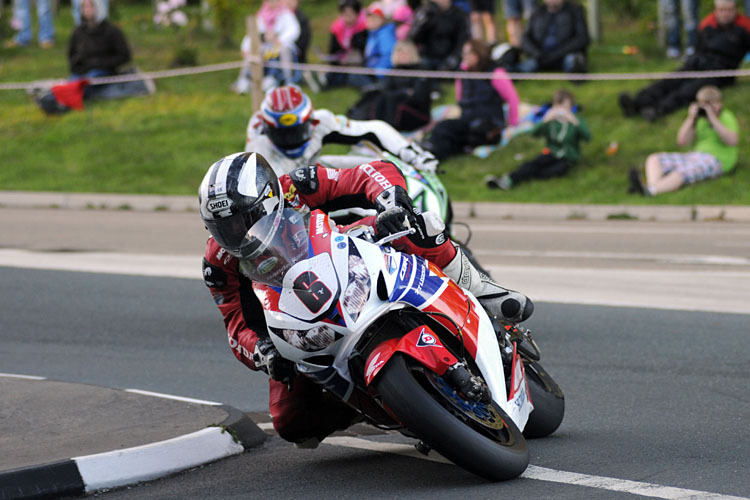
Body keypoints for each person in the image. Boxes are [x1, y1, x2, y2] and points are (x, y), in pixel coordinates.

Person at [199, 151, 534, 446]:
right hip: (293, 315)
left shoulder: (295, 185)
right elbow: (236, 325)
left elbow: (367, 173)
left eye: (242, 220)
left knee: (419, 226)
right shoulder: (218, 263)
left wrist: (391, 201)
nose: (235, 234)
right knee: (289, 421)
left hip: (342, 252)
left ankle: (483, 290)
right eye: (222, 227)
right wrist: (262, 353)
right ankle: (374, 406)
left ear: (269, 200)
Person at [245, 84, 438, 174]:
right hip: (283, 191)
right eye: (282, 134)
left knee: (379, 168)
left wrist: (412, 154)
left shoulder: (322, 120)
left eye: (296, 131)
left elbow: (374, 128)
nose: (290, 139)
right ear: (267, 128)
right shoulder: (258, 143)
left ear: (310, 121)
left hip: (312, 170)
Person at [619, 0, 750, 121]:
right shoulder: (707, 24)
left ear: (735, 10)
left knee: (689, 89)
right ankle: (637, 103)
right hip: (698, 63)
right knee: (670, 80)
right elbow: (699, 47)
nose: (725, 14)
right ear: (716, 10)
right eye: (721, 10)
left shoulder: (744, 27)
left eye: (728, 10)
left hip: (720, 72)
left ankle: (658, 109)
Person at [628, 85, 738, 196]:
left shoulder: (726, 116)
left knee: (681, 172)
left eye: (710, 104)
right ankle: (650, 188)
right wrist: (691, 119)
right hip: (696, 156)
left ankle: (651, 190)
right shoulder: (699, 119)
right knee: (654, 159)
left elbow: (732, 141)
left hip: (717, 160)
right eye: (703, 104)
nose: (706, 108)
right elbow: (682, 142)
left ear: (719, 104)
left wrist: (713, 119)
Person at [420, 40, 520, 161]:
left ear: (479, 53)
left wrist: (513, 123)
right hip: (467, 120)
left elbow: (512, 99)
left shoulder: (495, 73)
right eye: (464, 53)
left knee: (473, 134)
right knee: (444, 127)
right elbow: (460, 98)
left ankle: (437, 152)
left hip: (489, 122)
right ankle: (432, 153)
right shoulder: (463, 74)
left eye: (469, 53)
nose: (465, 57)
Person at [485, 88, 590, 190]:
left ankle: (524, 178)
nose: (562, 111)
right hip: (551, 152)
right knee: (530, 165)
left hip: (567, 157)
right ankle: (507, 181)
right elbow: (534, 133)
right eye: (559, 106)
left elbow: (587, 137)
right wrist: (545, 120)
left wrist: (574, 121)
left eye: (565, 107)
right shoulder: (551, 122)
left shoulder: (576, 121)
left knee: (552, 171)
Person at [346, 39, 432, 131]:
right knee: (377, 96)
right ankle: (374, 127)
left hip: (417, 113)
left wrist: (397, 95)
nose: (403, 56)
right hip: (395, 108)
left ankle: (388, 130)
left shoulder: (421, 71)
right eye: (400, 52)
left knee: (391, 100)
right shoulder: (393, 71)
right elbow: (386, 91)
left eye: (406, 53)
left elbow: (417, 97)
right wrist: (404, 92)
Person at [233, 0, 301, 94]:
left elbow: (294, 30)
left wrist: (279, 39)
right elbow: (252, 34)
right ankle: (244, 80)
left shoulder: (286, 14)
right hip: (265, 46)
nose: (272, 3)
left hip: (281, 46)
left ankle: (288, 80)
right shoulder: (260, 16)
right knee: (252, 54)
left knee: (283, 52)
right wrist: (245, 48)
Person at [516, 0, 589, 73]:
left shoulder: (575, 10)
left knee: (572, 61)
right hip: (540, 56)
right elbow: (525, 38)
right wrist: (536, 53)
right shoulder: (536, 12)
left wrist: (556, 54)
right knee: (525, 67)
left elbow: (582, 38)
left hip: (565, 55)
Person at [407, 0, 468, 70]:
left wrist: (455, 57)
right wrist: (421, 23)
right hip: (427, 56)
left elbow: (462, 40)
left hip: (449, 55)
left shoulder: (458, 15)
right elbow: (412, 38)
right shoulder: (426, 11)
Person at [358, 2, 397, 87]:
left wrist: (378, 73)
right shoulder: (373, 33)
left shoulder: (385, 34)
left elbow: (388, 55)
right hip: (372, 70)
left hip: (381, 75)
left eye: (374, 18)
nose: (369, 20)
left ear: (382, 19)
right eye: (368, 17)